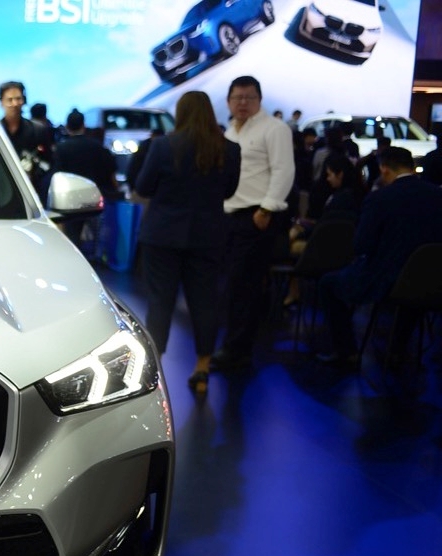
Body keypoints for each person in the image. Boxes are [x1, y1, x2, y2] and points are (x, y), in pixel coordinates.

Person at [133, 90, 241, 395]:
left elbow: (144, 187)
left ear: (180, 113)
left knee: (160, 302)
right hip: (208, 236)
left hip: (162, 235)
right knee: (205, 302)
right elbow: (229, 191)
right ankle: (203, 367)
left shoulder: (162, 146)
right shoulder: (230, 149)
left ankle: (155, 368)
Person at [315, 146, 442, 368]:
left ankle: (347, 351)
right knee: (412, 294)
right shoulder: (437, 196)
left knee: (328, 284)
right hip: (432, 278)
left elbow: (361, 245)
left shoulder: (380, 199)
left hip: (385, 279)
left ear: (384, 169)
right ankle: (397, 350)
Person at [213, 76, 295, 373]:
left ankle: (237, 350)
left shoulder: (274, 128)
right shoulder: (230, 132)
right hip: (229, 217)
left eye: (249, 97)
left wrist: (266, 209)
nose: (243, 103)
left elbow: (284, 170)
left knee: (243, 287)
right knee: (232, 287)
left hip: (256, 217)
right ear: (228, 102)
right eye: (237, 98)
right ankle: (235, 347)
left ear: (260, 100)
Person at [281, 152, 366, 307]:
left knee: (288, 244)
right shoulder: (354, 196)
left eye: (329, 174)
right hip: (341, 248)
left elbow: (326, 227)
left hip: (325, 247)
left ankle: (292, 291)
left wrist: (304, 227)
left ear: (340, 174)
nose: (327, 179)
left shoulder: (340, 199)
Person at [52, 108, 120, 258]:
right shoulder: (97, 146)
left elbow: (56, 176)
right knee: (96, 242)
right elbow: (110, 172)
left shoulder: (61, 148)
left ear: (67, 127)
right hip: (95, 200)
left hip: (70, 202)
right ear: (84, 125)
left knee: (72, 242)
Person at [0, 81, 52, 192]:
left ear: (24, 101)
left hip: (31, 189)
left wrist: (34, 172)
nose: (15, 104)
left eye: (18, 99)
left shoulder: (38, 130)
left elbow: (49, 162)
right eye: (10, 100)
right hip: (0, 189)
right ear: (1, 102)